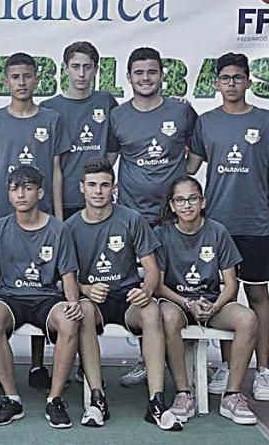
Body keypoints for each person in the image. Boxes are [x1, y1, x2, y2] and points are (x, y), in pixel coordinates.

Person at [187, 52, 269, 402]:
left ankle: (264, 371)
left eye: (237, 78)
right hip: (217, 227)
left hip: (257, 225)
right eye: (225, 78)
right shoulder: (205, 122)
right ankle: (229, 367)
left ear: (247, 81)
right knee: (222, 297)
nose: (231, 84)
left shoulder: (267, 120)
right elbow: (190, 167)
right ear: (216, 83)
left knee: (258, 296)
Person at [0, 52, 71, 390]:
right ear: (6, 82)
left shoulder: (52, 119)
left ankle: (38, 365)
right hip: (3, 214)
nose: (22, 83)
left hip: (41, 217)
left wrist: (58, 217)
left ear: (37, 79)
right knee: (8, 288)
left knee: (42, 285)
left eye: (27, 76)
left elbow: (57, 171)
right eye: (15, 77)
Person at [67, 157, 182, 431]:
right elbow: (67, 278)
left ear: (113, 188)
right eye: (92, 185)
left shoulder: (131, 219)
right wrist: (85, 288)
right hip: (94, 301)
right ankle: (97, 398)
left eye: (104, 185)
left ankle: (156, 401)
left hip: (128, 298)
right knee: (81, 310)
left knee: (152, 309)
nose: (98, 191)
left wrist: (146, 290)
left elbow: (151, 269)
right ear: (81, 187)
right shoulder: (69, 227)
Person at [106, 46, 197, 387]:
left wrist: (178, 189)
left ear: (162, 75)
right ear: (129, 78)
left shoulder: (182, 112)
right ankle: (149, 360)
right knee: (143, 289)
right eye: (139, 73)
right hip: (134, 218)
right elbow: (111, 161)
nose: (146, 78)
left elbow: (196, 154)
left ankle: (185, 367)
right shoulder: (118, 116)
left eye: (152, 72)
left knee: (177, 285)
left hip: (173, 220)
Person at [153, 176, 259, 425]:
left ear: (203, 202)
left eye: (192, 198)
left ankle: (232, 395)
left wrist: (214, 306)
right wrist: (187, 303)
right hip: (178, 303)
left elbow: (231, 283)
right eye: (180, 200)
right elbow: (157, 285)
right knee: (166, 316)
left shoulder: (217, 231)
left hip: (212, 303)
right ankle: (183, 394)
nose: (187, 205)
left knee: (248, 318)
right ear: (172, 205)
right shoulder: (162, 233)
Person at [0, 166, 82, 429]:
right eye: (15, 189)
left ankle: (55, 399)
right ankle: (11, 398)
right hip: (10, 297)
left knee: (70, 321)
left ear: (39, 192)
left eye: (27, 188)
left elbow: (68, 275)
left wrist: (73, 302)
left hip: (46, 297)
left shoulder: (59, 229)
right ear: (8, 194)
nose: (21, 195)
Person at [42, 41, 118, 221]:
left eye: (87, 67)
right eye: (76, 67)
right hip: (63, 199)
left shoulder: (106, 101)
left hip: (97, 198)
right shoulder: (49, 108)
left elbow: (116, 144)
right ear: (66, 69)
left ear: (96, 70)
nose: (82, 74)